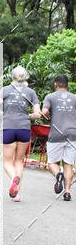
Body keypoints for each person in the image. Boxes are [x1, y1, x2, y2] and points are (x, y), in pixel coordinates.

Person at [1, 66, 41, 201]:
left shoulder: (4, 90)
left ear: (12, 77)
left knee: (7, 161)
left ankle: (14, 178)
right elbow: (37, 114)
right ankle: (16, 194)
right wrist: (26, 116)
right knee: (18, 160)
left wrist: (4, 114)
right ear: (25, 78)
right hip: (24, 128)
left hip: (8, 127)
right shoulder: (31, 92)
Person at [41, 74, 76, 202]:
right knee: (68, 164)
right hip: (72, 134)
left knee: (52, 163)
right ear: (68, 85)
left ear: (56, 84)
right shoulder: (74, 98)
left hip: (56, 134)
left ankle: (58, 174)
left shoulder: (50, 97)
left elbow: (44, 113)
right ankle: (67, 192)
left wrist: (44, 115)